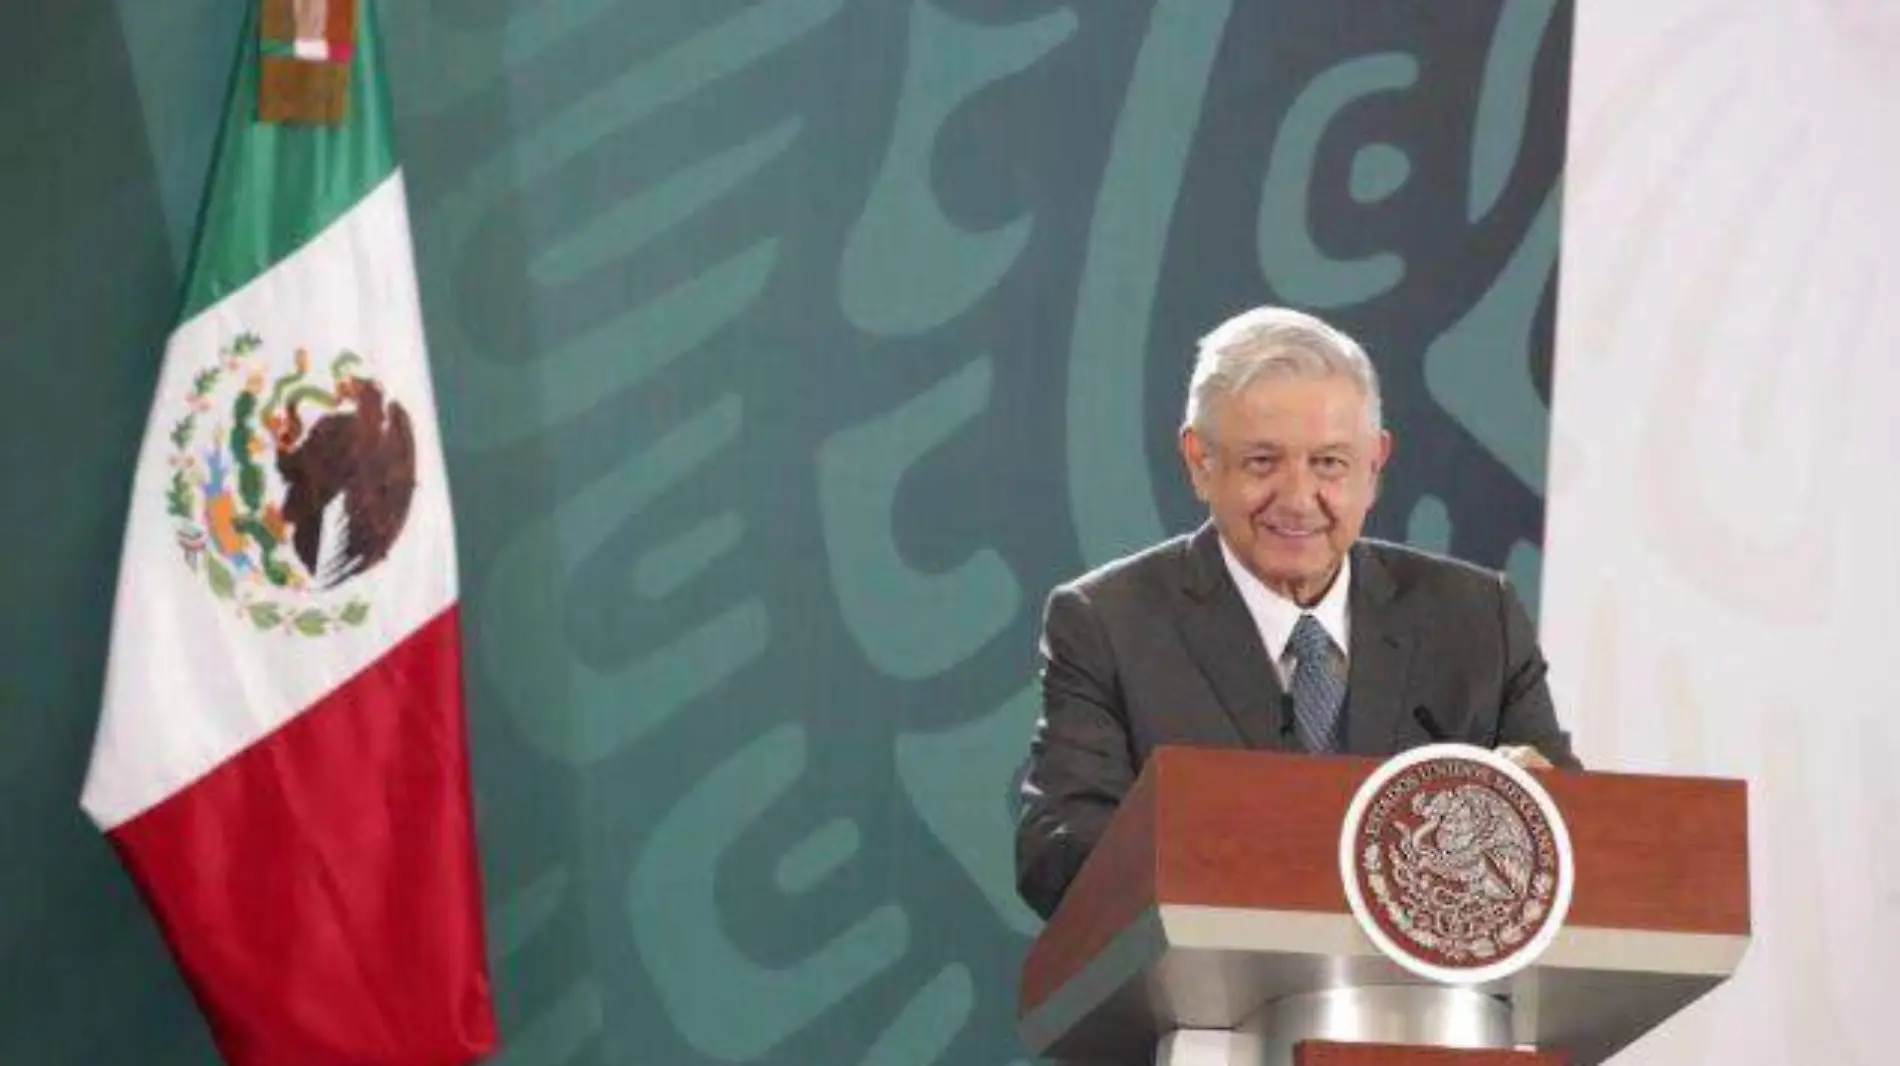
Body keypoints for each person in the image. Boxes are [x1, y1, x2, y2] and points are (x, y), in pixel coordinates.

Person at [1014, 306, 1579, 921]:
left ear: (1374, 466)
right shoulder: (1108, 624)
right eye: (1263, 462)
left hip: (1427, 982)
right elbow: (1058, 853)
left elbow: (1583, 836)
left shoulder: (1478, 618)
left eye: (1329, 463)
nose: (1298, 499)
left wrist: (1537, 809)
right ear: (1200, 462)